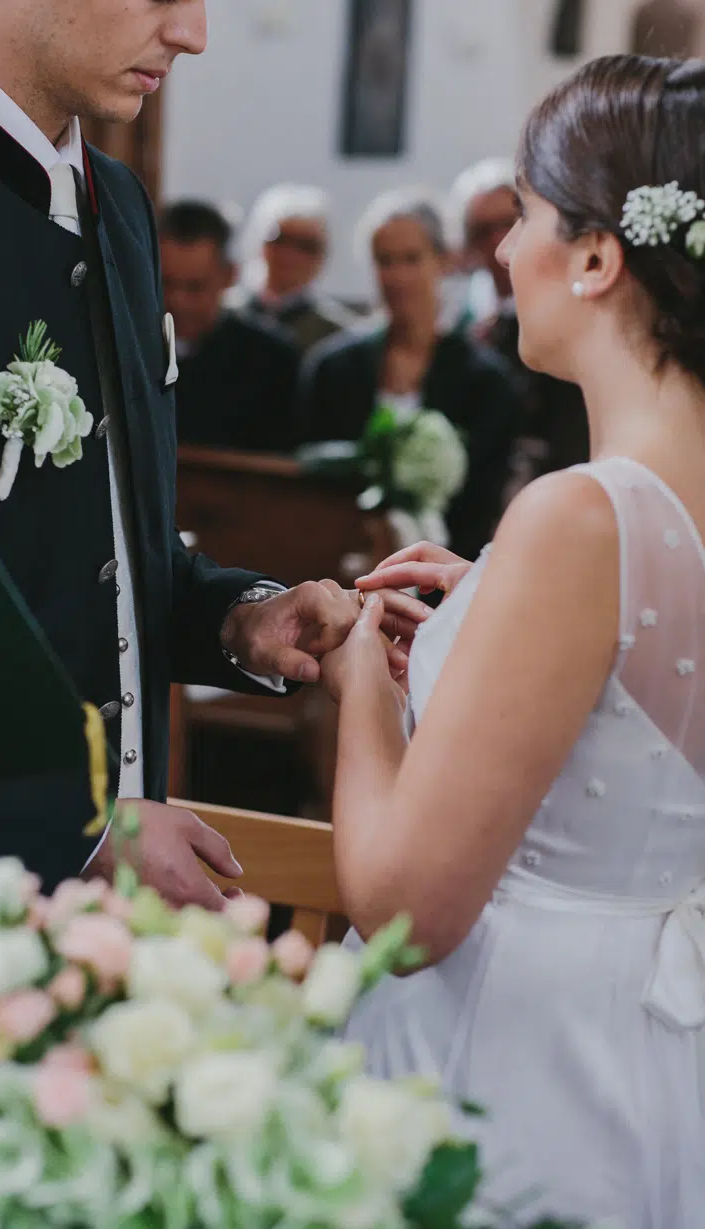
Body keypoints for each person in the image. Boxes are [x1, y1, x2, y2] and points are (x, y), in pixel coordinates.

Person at [0, 1, 428, 931]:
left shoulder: (123, 208)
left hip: (104, 949)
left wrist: (239, 618)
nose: (193, 32)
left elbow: (96, 550)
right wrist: (75, 836)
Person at [324, 55, 705, 1226]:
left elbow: (403, 909)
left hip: (515, 1061)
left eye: (528, 217)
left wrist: (359, 672)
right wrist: (493, 600)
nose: (500, 251)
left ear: (598, 255)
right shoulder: (596, 535)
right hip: (654, 1054)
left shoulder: (580, 519)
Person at [299, 189, 522, 561]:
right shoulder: (332, 368)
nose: (397, 276)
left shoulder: (485, 380)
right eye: (385, 261)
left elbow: (485, 495)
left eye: (411, 259)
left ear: (443, 261)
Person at [451, 156, 589, 485]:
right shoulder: (462, 324)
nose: (499, 242)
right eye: (482, 231)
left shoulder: (572, 309)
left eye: (509, 222)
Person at [160, 200, 300, 453]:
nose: (177, 302)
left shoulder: (272, 359)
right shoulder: (123, 348)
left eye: (195, 287)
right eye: (164, 284)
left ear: (229, 276)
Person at [232, 184, 355, 355]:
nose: (290, 255)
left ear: (322, 257)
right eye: (280, 239)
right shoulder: (225, 314)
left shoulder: (337, 335)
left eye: (306, 246)